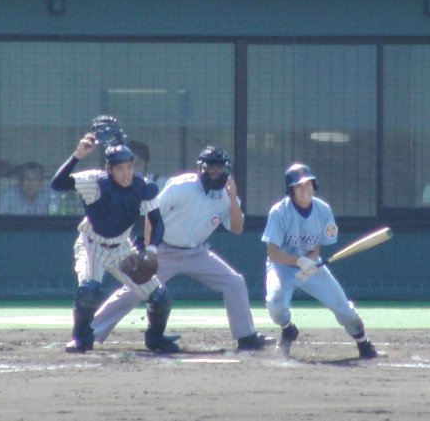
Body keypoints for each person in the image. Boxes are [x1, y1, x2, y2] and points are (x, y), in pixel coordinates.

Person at [92, 146, 275, 351]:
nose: (215, 172)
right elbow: (153, 215)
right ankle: (91, 332)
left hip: (196, 253)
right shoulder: (180, 187)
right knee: (134, 290)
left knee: (235, 282)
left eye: (220, 168)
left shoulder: (227, 195)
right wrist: (149, 249)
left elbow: (237, 228)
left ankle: (246, 336)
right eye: (210, 167)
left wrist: (232, 199)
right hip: (164, 251)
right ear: (200, 168)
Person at [50, 131, 179, 354]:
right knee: (89, 291)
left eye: (129, 167)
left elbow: (156, 222)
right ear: (109, 169)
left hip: (121, 247)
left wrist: (150, 250)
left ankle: (156, 339)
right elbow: (58, 184)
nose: (126, 173)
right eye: (120, 168)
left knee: (160, 297)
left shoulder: (142, 187)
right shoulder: (94, 182)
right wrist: (77, 156)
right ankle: (81, 338)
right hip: (92, 245)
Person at [262, 162, 378, 359]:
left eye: (308, 184)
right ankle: (288, 329)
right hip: (281, 266)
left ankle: (364, 344)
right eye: (299, 186)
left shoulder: (323, 210)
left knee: (345, 310)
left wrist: (310, 260)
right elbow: (273, 253)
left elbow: (317, 244)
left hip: (311, 265)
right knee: (275, 303)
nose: (305, 189)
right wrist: (298, 261)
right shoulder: (279, 212)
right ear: (291, 190)